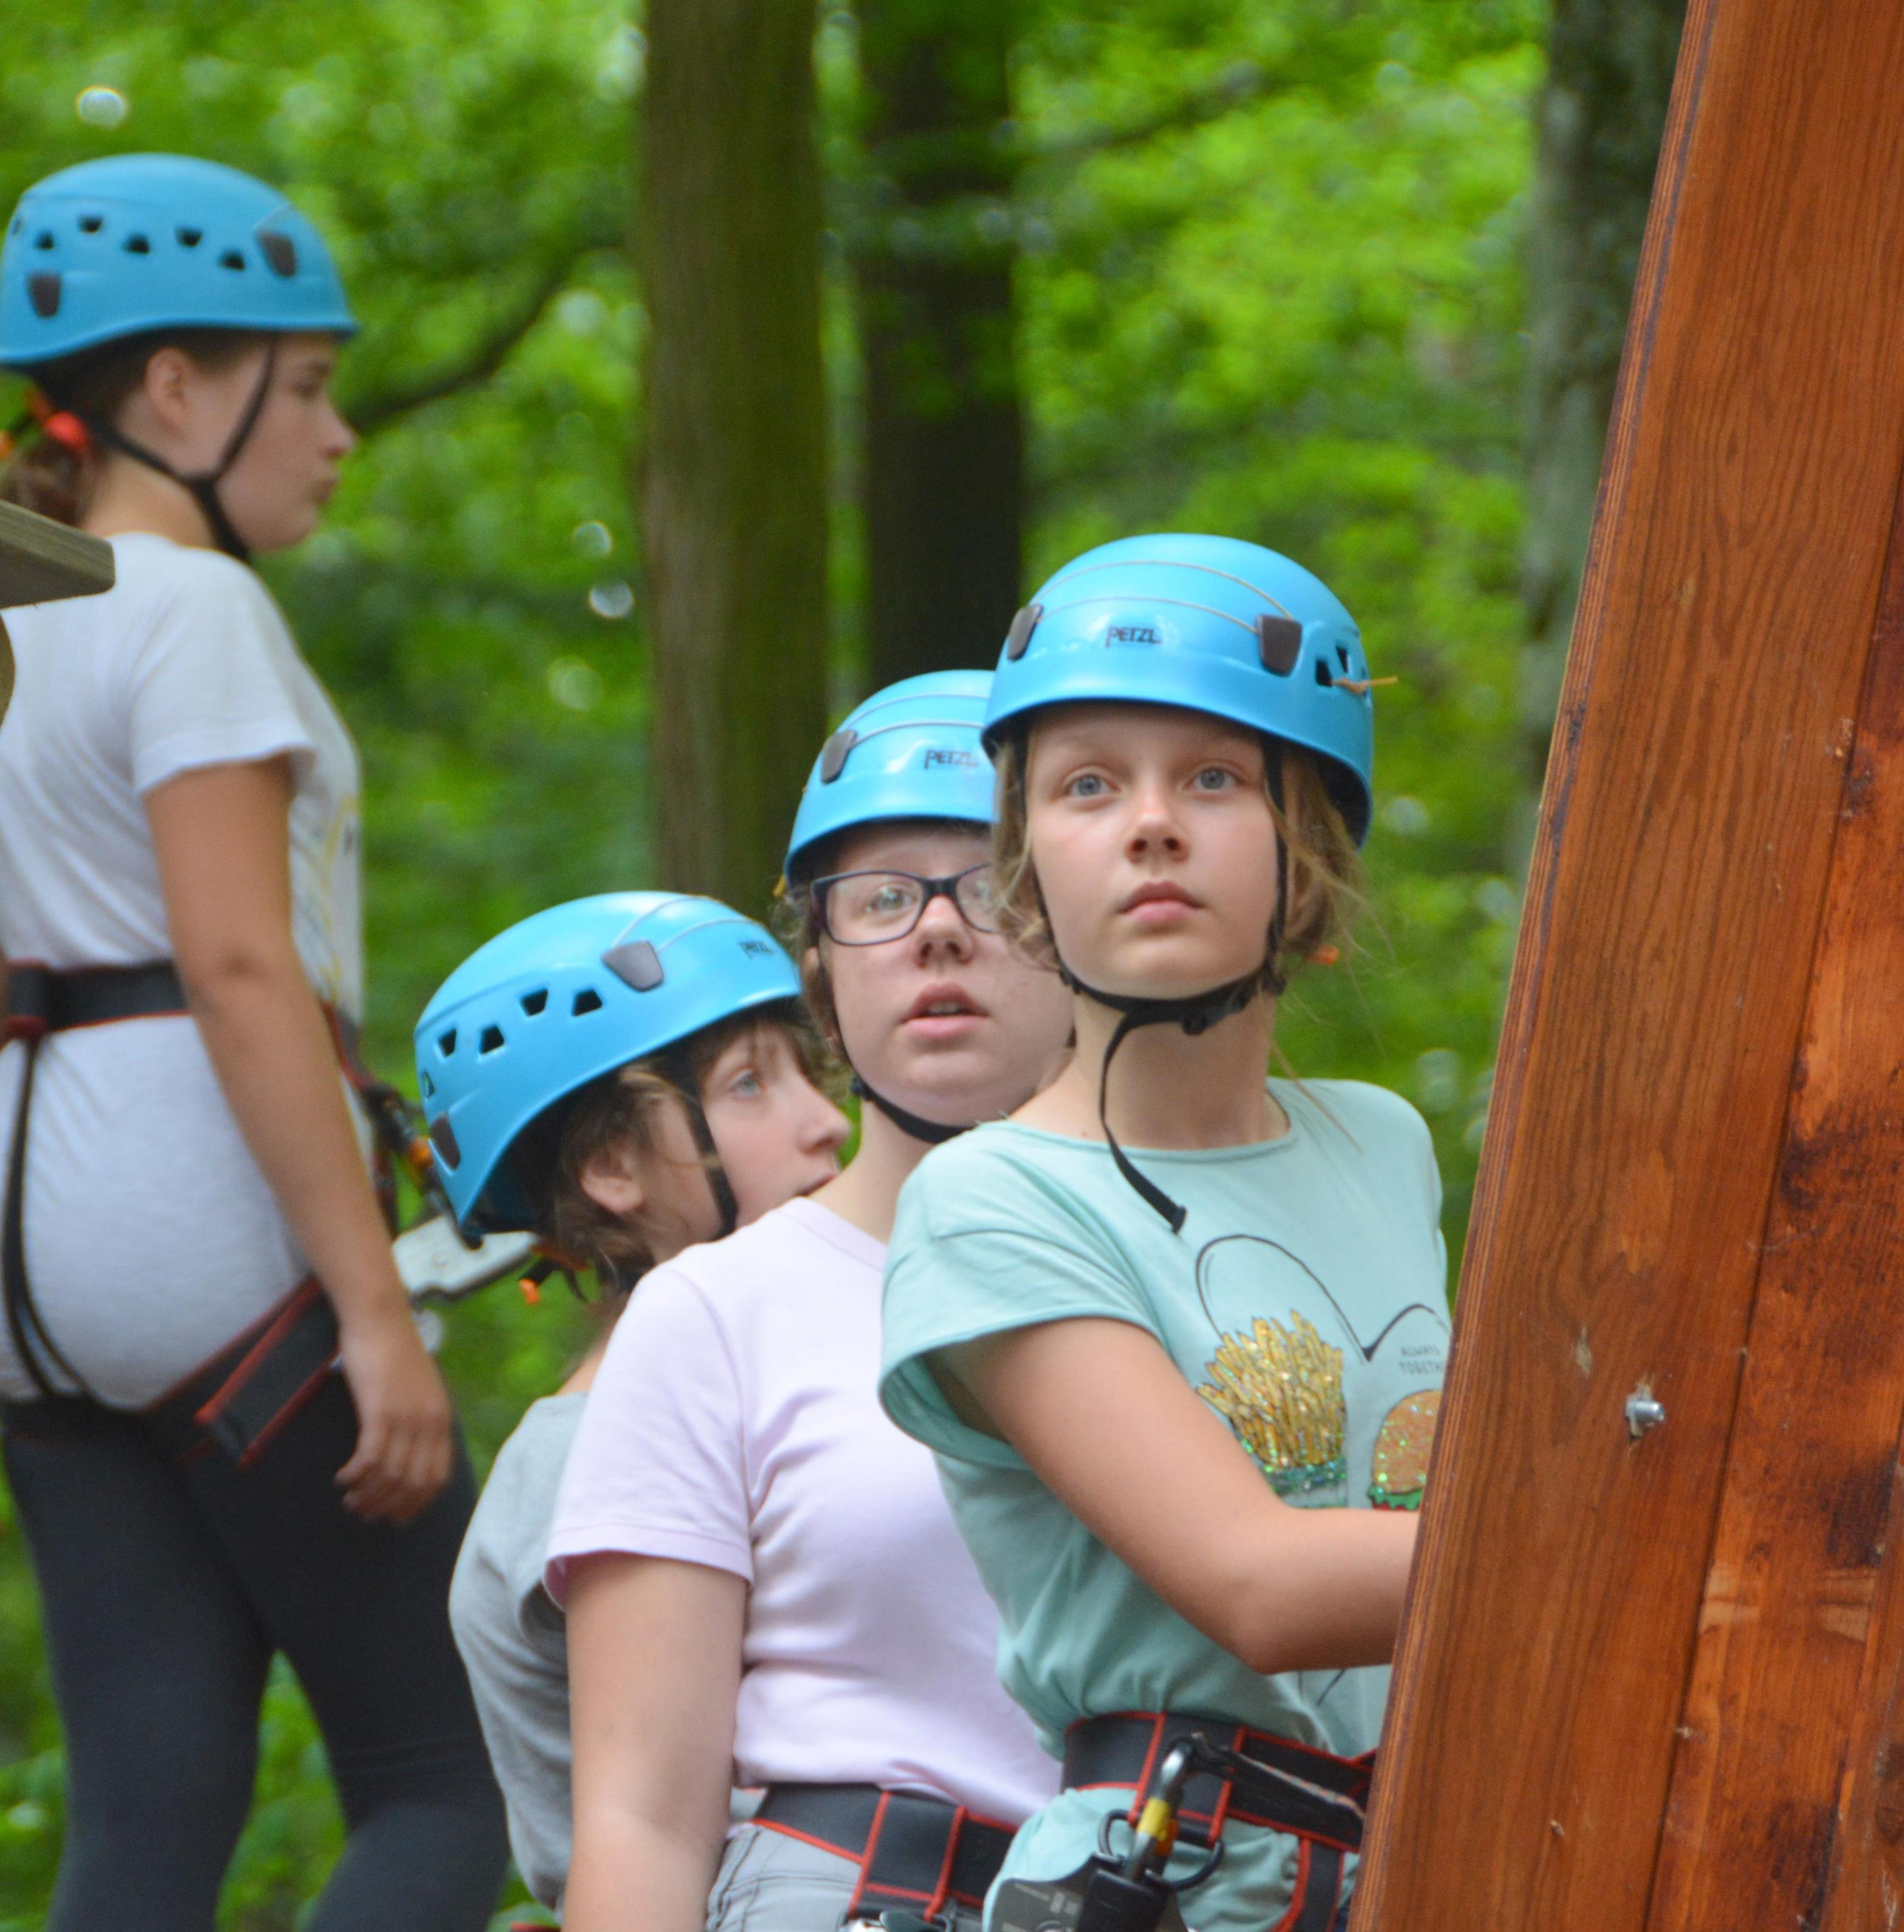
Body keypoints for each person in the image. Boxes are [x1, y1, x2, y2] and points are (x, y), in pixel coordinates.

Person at [0, 154, 505, 1932]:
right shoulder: (200, 609)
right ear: (175, 390)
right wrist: (375, 1312)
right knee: (446, 1775)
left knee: (147, 1818)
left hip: (21, 1258)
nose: (336, 433)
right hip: (207, 1237)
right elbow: (245, 972)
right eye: (304, 385)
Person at [876, 537, 1450, 1932]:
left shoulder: (1381, 1145)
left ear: (1305, 843)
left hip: (1434, 1856)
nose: (1150, 824)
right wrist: (1654, 1535)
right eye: (1087, 784)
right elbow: (1256, 1584)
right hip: (1178, 1883)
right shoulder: (992, 1199)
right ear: (1024, 863)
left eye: (1213, 778)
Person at [551, 673, 1079, 1932]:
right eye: (880, 898)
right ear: (821, 973)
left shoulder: (1221, 1263)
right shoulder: (716, 1313)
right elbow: (639, 1817)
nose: (935, 931)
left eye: (991, 886)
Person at [428, 892, 851, 1914]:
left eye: (808, 1073)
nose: (827, 1122)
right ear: (613, 1167)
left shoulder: (796, 1387)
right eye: (749, 1083)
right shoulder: (584, 1458)